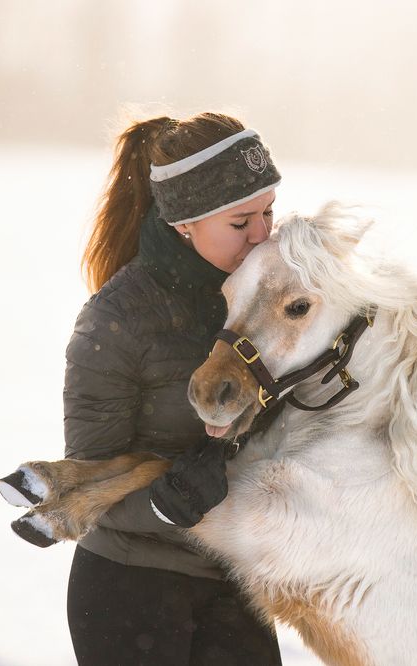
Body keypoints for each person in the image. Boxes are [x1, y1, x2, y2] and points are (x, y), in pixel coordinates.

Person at [63, 111, 284, 665]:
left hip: (235, 585)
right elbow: (88, 480)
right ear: (186, 223)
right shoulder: (117, 320)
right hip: (131, 590)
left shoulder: (269, 304)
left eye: (268, 213)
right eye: (241, 223)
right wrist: (165, 505)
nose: (263, 237)